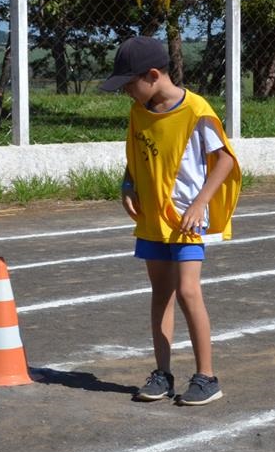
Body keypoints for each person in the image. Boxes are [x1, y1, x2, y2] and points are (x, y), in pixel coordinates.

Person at [99, 36, 241, 406]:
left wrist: (200, 204)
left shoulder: (196, 110)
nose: (128, 92)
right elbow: (135, 154)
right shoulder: (138, 112)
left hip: (185, 220)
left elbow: (225, 159)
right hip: (152, 219)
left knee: (188, 292)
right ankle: (162, 374)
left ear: (152, 75)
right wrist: (128, 184)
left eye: (130, 84)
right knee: (160, 294)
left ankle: (207, 377)